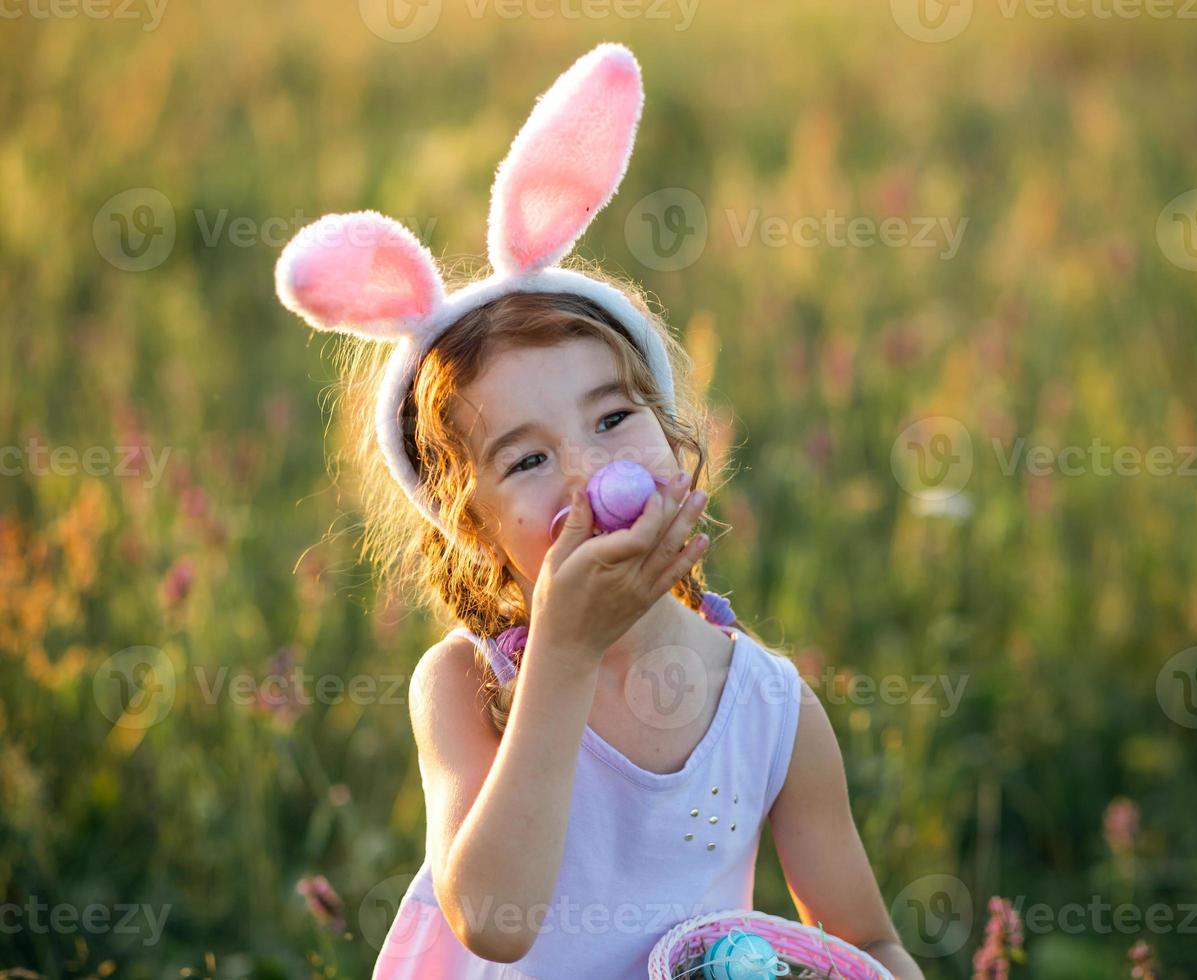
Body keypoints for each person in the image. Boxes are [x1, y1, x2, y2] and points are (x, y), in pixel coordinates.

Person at [274, 42, 923, 980]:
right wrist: (566, 653)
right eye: (529, 458)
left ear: (669, 432)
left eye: (615, 418)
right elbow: (495, 923)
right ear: (473, 522)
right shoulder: (464, 689)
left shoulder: (770, 709)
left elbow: (866, 941)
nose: (589, 476)